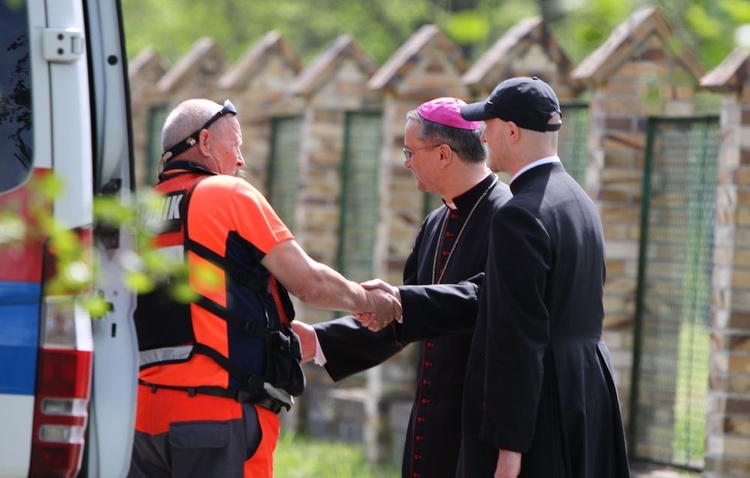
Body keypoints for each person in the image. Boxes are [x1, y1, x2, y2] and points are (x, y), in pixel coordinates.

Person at [128, 98, 400, 478]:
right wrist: (366, 299)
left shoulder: (136, 214)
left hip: (142, 422)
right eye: (235, 145)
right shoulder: (226, 194)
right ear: (204, 142)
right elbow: (309, 282)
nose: (240, 160)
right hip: (216, 417)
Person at [376, 77, 630, 477]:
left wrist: (509, 448)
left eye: (489, 126)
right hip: (587, 394)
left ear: (511, 132)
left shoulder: (519, 214)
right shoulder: (580, 201)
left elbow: (518, 338)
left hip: (541, 409)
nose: (484, 137)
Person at [292, 97, 512, 478]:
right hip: (430, 420)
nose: (406, 162)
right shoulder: (434, 223)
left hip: (480, 419)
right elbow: (401, 318)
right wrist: (319, 341)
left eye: (411, 151)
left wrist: (397, 300)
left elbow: (486, 301)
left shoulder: (508, 217)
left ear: (444, 154)